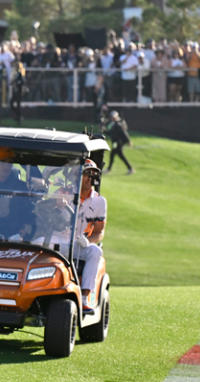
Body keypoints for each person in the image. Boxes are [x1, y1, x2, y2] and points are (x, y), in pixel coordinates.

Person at [75, 159, 106, 313]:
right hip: (61, 242)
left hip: (81, 245)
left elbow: (99, 231)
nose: (89, 178)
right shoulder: (64, 193)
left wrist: (88, 241)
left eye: (92, 175)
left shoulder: (100, 201)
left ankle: (84, 297)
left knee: (95, 252)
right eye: (86, 174)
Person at [104, 110, 133, 175]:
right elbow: (111, 133)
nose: (112, 118)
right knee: (118, 155)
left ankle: (109, 169)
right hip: (115, 142)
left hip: (118, 142)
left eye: (113, 117)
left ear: (116, 116)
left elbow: (124, 133)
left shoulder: (118, 124)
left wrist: (128, 141)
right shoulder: (115, 123)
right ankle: (130, 168)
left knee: (114, 155)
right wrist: (104, 131)